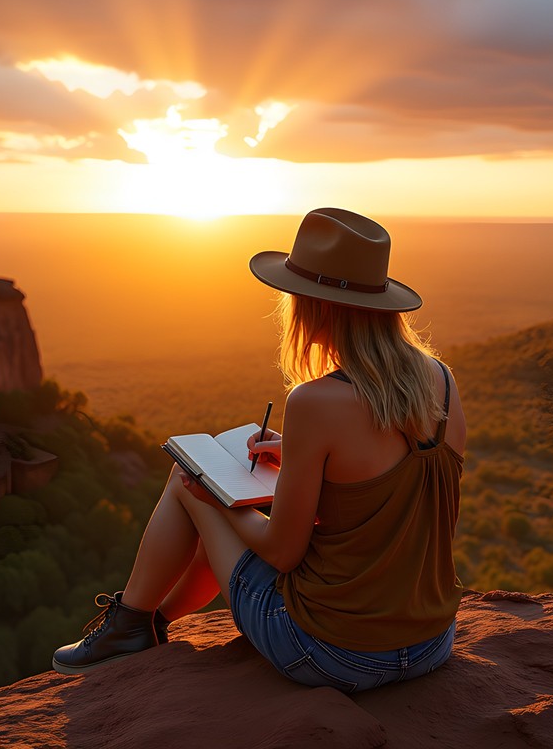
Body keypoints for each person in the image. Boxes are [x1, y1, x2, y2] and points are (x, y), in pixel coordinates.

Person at [52, 207, 466, 692]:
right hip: (430, 642)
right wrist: (299, 455)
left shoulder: (314, 401)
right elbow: (399, 494)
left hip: (334, 653)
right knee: (212, 501)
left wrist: (220, 498)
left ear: (317, 306)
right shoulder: (440, 381)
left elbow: (283, 553)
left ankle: (130, 626)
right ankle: (152, 622)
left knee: (187, 482)